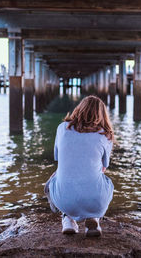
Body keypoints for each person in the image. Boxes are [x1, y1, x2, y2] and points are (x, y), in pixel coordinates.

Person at [44, 95, 114, 237]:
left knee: (57, 176)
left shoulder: (62, 128)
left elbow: (59, 159)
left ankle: (67, 219)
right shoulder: (105, 135)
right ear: (102, 115)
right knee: (105, 181)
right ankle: (93, 218)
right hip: (96, 201)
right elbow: (104, 167)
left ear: (79, 109)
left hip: (65, 199)